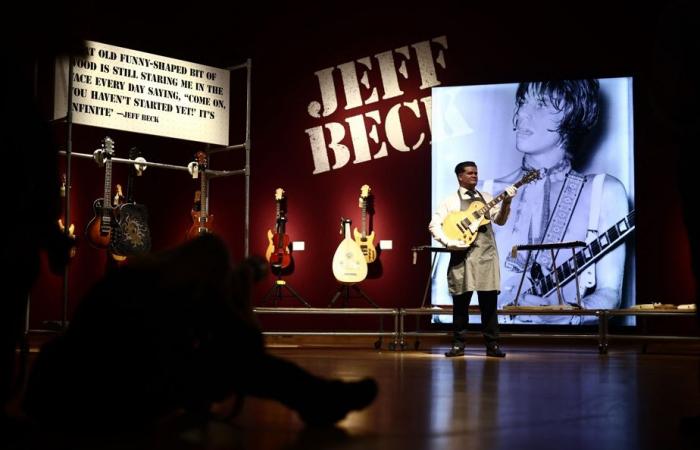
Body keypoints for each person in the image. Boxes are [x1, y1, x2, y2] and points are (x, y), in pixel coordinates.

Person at [22, 234, 378, 430]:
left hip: (61, 393)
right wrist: (238, 301)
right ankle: (319, 399)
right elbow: (247, 348)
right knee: (238, 366)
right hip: (93, 401)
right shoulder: (172, 296)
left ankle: (318, 399)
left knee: (232, 365)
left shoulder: (137, 283)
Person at [483, 79, 630, 324]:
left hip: (570, 353)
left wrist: (563, 315)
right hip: (491, 345)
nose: (521, 114)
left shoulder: (604, 191)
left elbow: (610, 294)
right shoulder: (485, 193)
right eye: (522, 102)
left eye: (540, 104)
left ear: (573, 113)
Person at [429, 161, 517, 358]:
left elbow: (500, 221)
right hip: (463, 257)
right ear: (460, 176)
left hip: (486, 256)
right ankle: (458, 344)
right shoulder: (450, 201)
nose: (474, 176)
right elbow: (434, 225)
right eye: (470, 173)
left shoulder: (485, 198)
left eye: (476, 173)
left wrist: (507, 202)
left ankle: (492, 345)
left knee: (489, 305)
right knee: (461, 305)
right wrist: (448, 242)